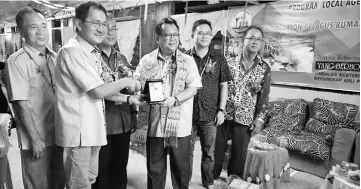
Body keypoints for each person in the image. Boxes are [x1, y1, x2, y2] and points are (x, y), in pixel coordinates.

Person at [54, 2, 142, 188]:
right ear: (78, 24)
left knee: (91, 179)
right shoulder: (72, 51)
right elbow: (97, 91)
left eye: (105, 24)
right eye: (96, 23)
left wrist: (129, 98)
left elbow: (101, 89)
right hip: (79, 133)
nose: (102, 29)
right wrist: (128, 81)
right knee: (79, 184)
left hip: (93, 130)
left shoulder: (91, 53)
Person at [134, 17, 202, 189]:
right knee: (155, 169)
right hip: (155, 125)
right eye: (167, 35)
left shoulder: (187, 61)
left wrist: (175, 100)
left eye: (175, 35)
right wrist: (139, 93)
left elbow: (193, 88)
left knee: (181, 170)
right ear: (158, 38)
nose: (172, 39)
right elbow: (137, 85)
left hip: (179, 127)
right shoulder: (146, 61)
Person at [3, 7, 66, 189]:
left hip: (59, 133)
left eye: (43, 26)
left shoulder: (55, 57)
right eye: (33, 27)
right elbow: (21, 104)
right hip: (37, 138)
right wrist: (35, 139)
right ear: (22, 32)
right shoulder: (16, 62)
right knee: (38, 184)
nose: (40, 32)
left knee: (59, 182)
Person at [213, 26, 271, 179]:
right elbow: (219, 87)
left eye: (258, 39)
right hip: (224, 113)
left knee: (239, 155)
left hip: (245, 116)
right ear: (243, 40)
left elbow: (264, 97)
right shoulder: (227, 61)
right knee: (216, 150)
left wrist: (259, 119)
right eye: (251, 38)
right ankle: (210, 179)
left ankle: (233, 181)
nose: (254, 42)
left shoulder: (264, 68)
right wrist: (216, 109)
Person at [92, 17, 140, 189]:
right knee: (100, 169)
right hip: (101, 124)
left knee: (120, 166)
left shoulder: (121, 58)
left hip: (123, 121)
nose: (111, 32)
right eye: (107, 28)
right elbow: (97, 89)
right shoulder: (91, 57)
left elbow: (131, 87)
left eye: (114, 29)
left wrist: (134, 114)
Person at [186, 19, 232, 189]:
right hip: (187, 112)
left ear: (211, 36)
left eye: (207, 32)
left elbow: (224, 85)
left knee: (209, 152)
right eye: (200, 32)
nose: (204, 36)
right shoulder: (184, 57)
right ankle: (185, 182)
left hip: (210, 113)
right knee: (186, 152)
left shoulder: (219, 59)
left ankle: (208, 182)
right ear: (193, 35)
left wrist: (221, 110)